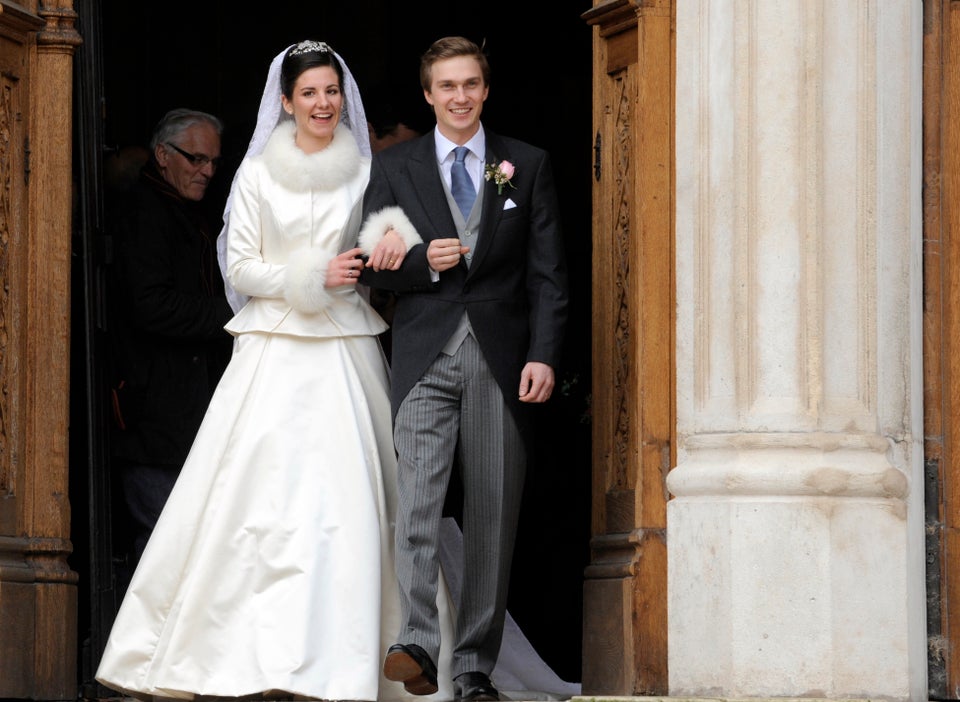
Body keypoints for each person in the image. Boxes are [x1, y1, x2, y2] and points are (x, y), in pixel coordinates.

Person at [358, 36, 569, 702]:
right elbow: (367, 258)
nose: (459, 97)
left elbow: (549, 273)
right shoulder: (395, 167)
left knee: (490, 516)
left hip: (503, 360)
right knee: (417, 503)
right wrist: (424, 262)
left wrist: (543, 353)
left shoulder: (526, 165)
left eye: (470, 84)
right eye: (446, 86)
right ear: (428, 95)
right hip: (424, 354)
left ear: (485, 89)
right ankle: (417, 640)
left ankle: (473, 665)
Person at [106, 108, 233, 564]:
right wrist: (234, 313)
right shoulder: (144, 212)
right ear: (163, 155)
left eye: (214, 163)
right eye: (196, 159)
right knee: (164, 550)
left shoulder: (189, 211)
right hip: (152, 412)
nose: (207, 171)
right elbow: (150, 306)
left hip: (186, 413)